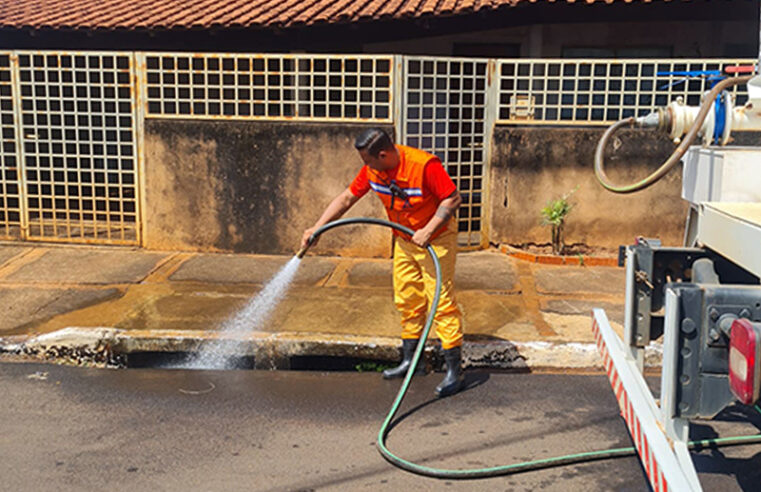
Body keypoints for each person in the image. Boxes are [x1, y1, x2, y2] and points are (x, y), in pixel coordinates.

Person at [300, 128, 465, 397]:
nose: (366, 167)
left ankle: (454, 372)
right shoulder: (372, 171)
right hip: (404, 240)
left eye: (369, 160)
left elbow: (453, 197)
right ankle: (413, 362)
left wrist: (429, 228)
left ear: (384, 154)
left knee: (441, 301)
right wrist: (317, 228)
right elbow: (346, 198)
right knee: (407, 298)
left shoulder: (423, 165)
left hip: (435, 240)